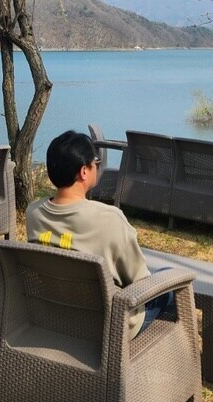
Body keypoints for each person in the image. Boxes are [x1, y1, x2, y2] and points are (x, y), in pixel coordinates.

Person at [26, 129, 172, 336]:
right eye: (95, 162)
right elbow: (140, 281)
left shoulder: (33, 213)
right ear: (84, 172)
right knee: (169, 288)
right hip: (110, 325)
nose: (97, 166)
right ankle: (168, 351)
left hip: (58, 313)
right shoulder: (110, 218)